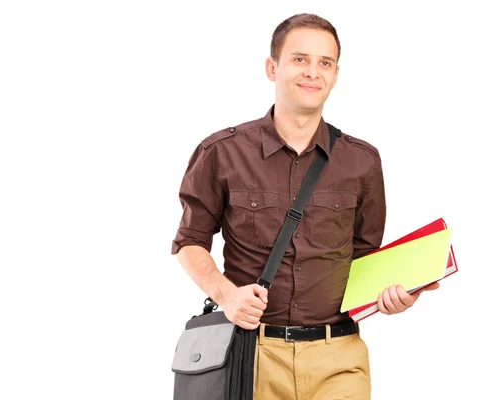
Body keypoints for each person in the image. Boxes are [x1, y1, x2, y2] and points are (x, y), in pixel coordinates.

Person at [171, 13, 439, 400]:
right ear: (272, 67)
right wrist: (228, 296)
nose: (313, 72)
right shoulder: (221, 153)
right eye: (300, 59)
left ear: (335, 74)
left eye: (324, 63)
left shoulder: (362, 161)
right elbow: (189, 242)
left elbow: (364, 260)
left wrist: (394, 295)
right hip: (252, 356)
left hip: (339, 359)